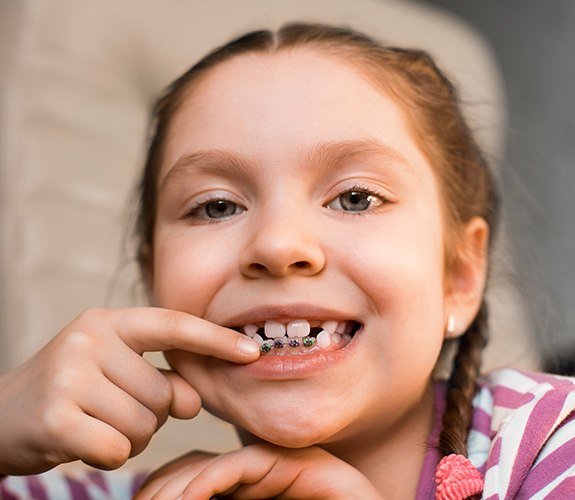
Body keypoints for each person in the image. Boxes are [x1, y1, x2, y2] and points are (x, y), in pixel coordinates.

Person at [1, 22, 575, 499]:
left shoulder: (551, 438)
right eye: (217, 206)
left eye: (355, 198)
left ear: (459, 276)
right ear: (154, 278)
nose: (278, 246)